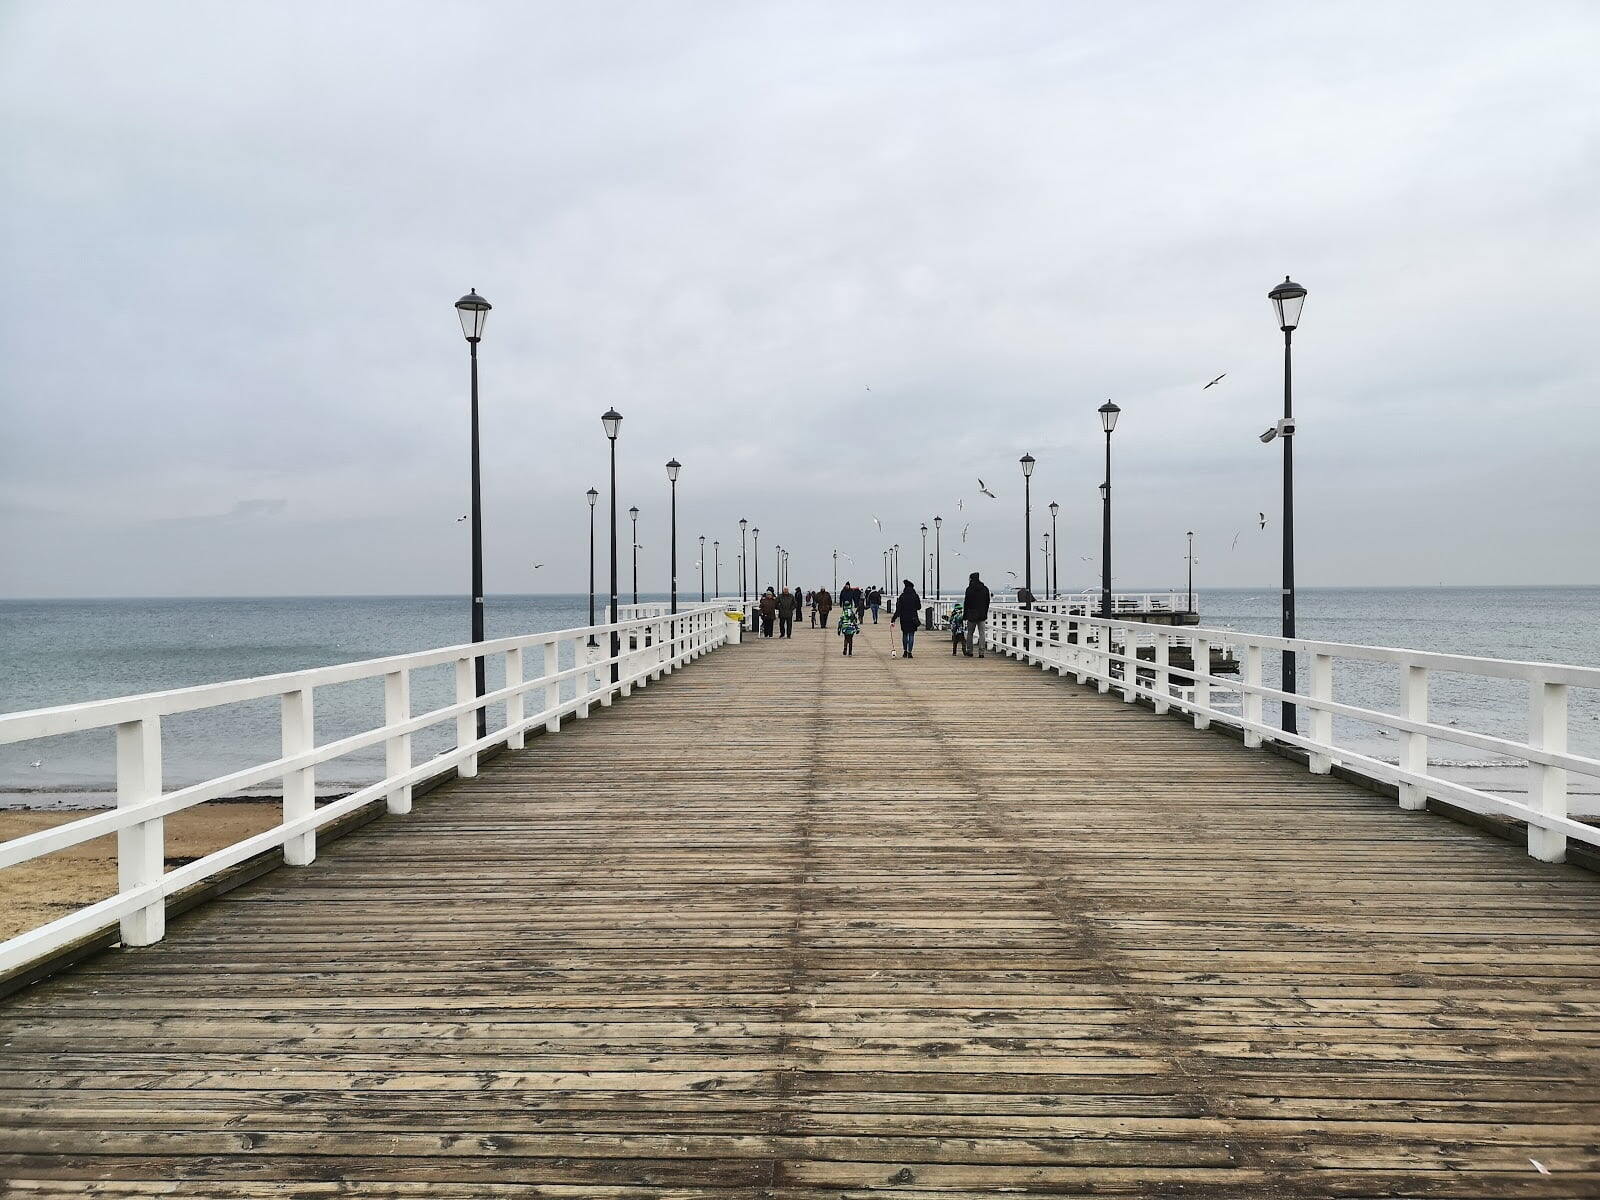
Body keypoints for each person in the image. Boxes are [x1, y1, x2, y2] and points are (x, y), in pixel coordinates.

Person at [962, 571, 991, 658]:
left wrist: (965, 615)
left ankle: (970, 651)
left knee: (970, 633)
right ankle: (981, 652)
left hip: (971, 614)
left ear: (971, 579)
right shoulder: (985, 589)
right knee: (982, 633)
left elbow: (966, 603)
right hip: (982, 614)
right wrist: (985, 611)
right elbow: (987, 601)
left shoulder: (969, 589)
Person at [890, 579, 921, 658]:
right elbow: (919, 607)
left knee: (905, 634)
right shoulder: (915, 596)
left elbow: (898, 609)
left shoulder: (902, 596)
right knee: (911, 635)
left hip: (904, 618)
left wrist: (893, 619)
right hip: (913, 618)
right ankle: (910, 652)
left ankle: (905, 651)